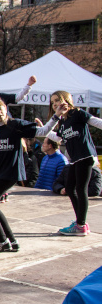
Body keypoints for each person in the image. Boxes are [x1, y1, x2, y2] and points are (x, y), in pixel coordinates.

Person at [0, 97, 65, 253]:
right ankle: (11, 241)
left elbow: (42, 131)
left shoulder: (15, 125)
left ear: (5, 108)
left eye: (0, 108)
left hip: (10, 173)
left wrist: (56, 116)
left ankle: (1, 241)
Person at [46, 91, 102, 236]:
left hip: (85, 156)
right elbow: (58, 139)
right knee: (70, 188)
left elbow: (95, 121)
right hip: (74, 160)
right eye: (53, 102)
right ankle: (80, 222)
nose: (55, 104)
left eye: (58, 100)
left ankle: (81, 225)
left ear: (66, 100)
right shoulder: (63, 122)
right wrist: (44, 130)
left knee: (80, 188)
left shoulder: (77, 113)